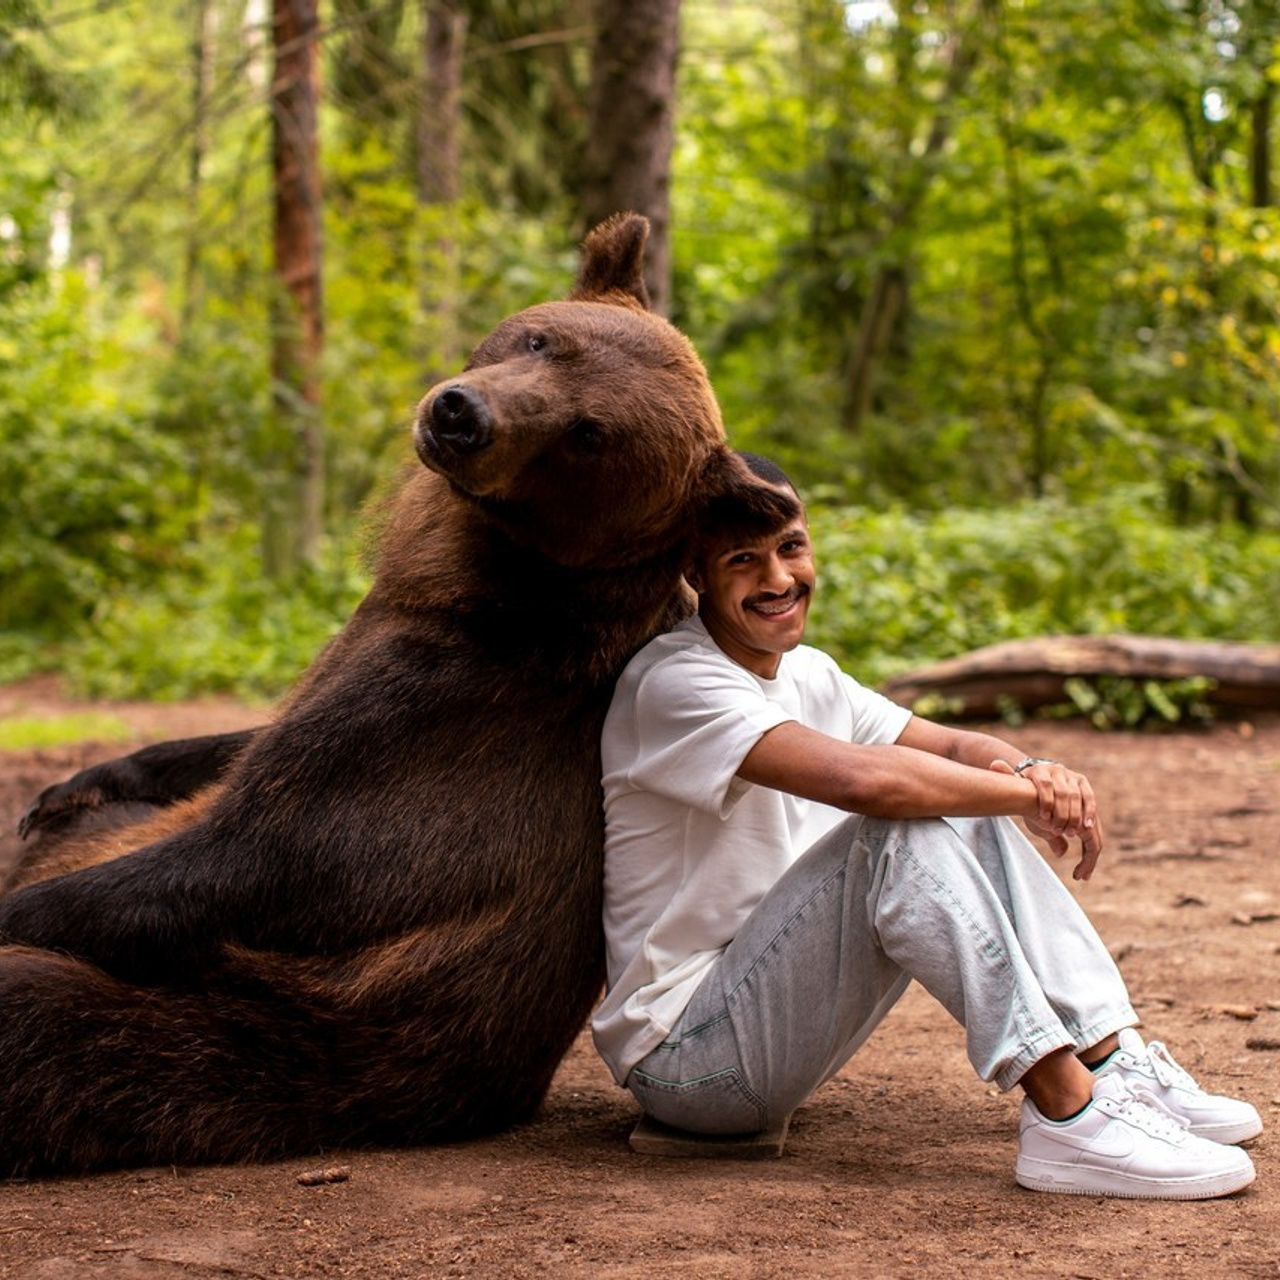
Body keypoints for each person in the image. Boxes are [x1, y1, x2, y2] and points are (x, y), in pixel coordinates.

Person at [592, 452, 1262, 1200]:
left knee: (955, 794)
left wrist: (1033, 767)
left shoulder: (809, 672)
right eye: (743, 560)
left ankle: (1111, 1061)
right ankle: (1069, 1115)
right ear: (696, 573)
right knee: (900, 825)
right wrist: (1023, 798)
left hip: (768, 1011)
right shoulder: (677, 681)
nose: (778, 579)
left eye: (791, 547)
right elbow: (864, 780)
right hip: (688, 1060)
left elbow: (947, 745)